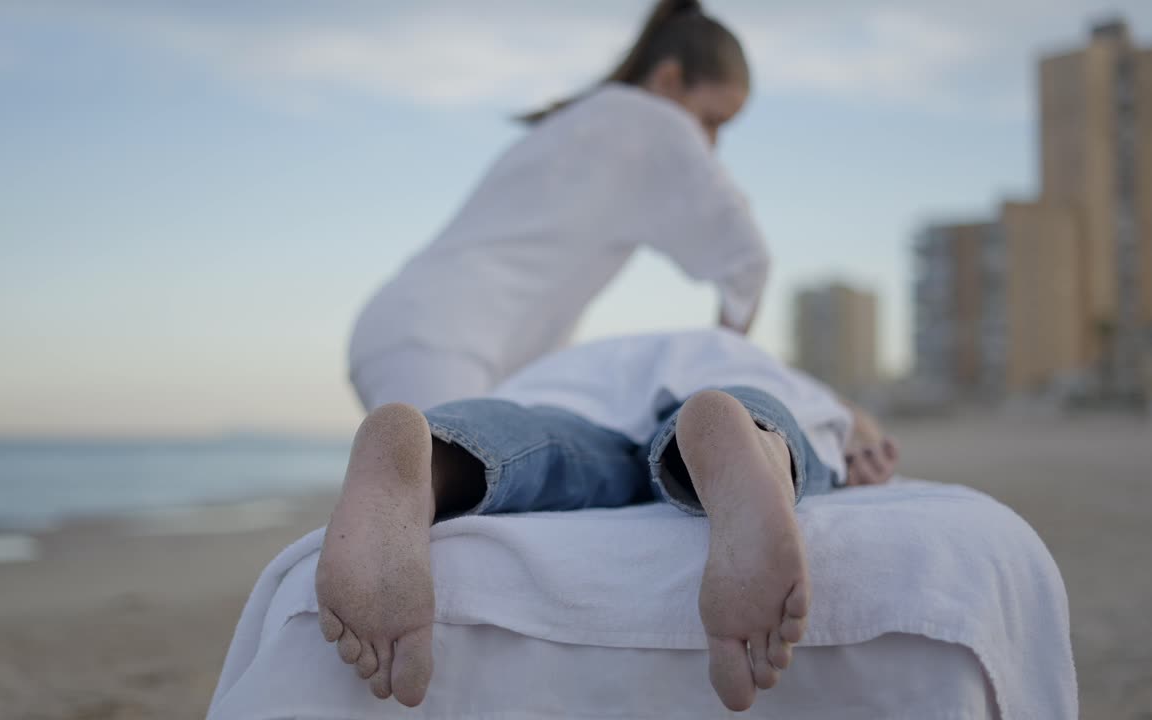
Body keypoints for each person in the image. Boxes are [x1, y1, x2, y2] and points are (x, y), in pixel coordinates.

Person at [316, 330, 899, 711]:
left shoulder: (585, 358)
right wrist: (861, 434)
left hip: (572, 400)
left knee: (531, 443)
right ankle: (756, 440)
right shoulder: (747, 354)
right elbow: (854, 428)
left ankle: (435, 458)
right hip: (724, 385)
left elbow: (534, 408)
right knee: (756, 407)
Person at [349, 0, 770, 411]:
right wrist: (719, 393)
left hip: (416, 327)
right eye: (712, 120)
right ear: (667, 79)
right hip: (444, 342)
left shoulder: (577, 118)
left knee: (434, 476)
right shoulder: (657, 122)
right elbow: (750, 260)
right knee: (444, 478)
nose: (711, 142)